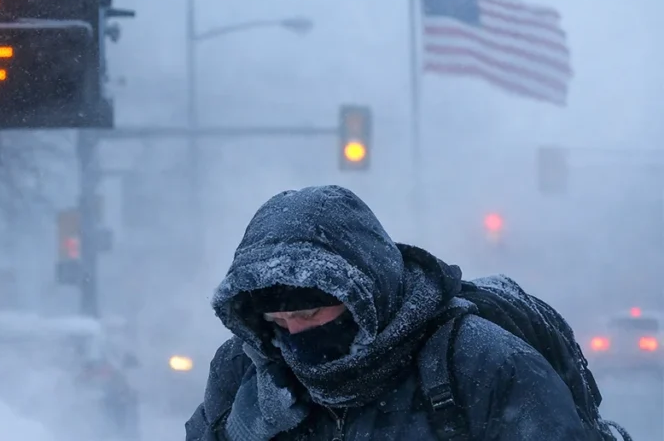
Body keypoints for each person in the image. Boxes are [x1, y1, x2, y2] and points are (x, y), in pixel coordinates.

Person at [185, 185, 589, 440]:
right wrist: (234, 431)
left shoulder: (479, 362)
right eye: (276, 322)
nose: (292, 334)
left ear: (365, 298)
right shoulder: (245, 367)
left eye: (308, 315)